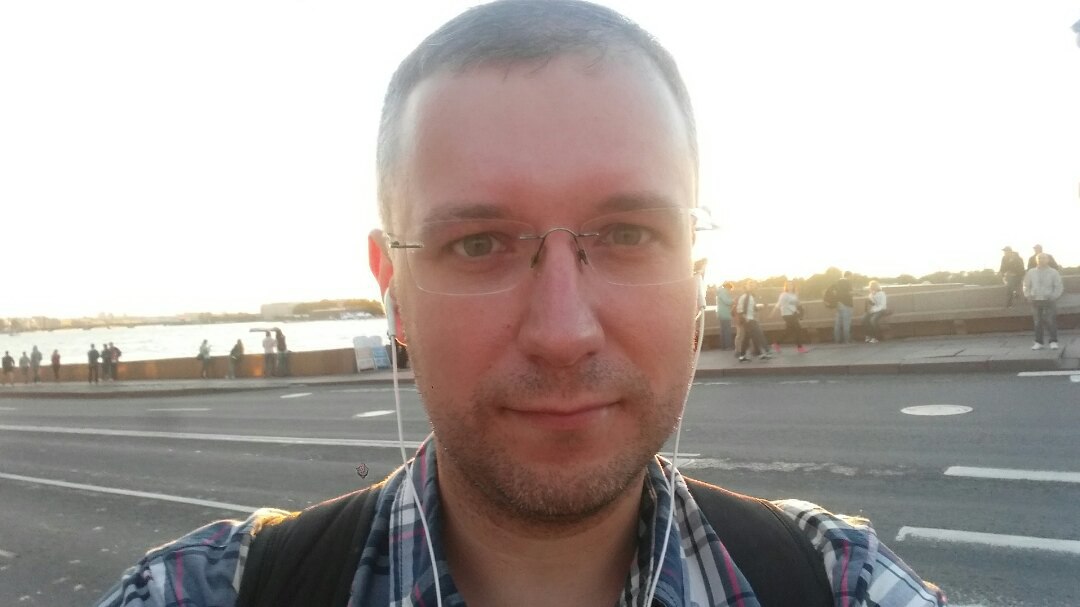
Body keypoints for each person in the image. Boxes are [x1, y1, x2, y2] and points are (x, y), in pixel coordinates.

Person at [97, 3, 946, 606]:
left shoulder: (838, 583)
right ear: (392, 289)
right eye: (479, 244)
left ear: (696, 265)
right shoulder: (209, 592)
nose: (564, 332)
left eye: (627, 233)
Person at [1023, 252, 1064, 350]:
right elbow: (1026, 285)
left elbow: (1059, 286)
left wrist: (1054, 296)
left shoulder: (1053, 272)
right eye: (1039, 258)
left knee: (1051, 321)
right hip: (1035, 300)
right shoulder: (1031, 272)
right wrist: (1028, 295)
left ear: (1047, 260)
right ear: (1036, 260)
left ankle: (1053, 341)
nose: (1041, 260)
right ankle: (1039, 342)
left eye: (1044, 258)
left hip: (1049, 300)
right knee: (1037, 322)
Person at [771, 280, 807, 353]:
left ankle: (776, 344)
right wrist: (772, 312)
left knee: (789, 331)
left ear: (793, 286)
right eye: (788, 285)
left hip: (793, 313)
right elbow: (779, 304)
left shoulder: (794, 294)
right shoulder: (784, 295)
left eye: (791, 285)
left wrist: (800, 309)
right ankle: (800, 347)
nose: (790, 286)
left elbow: (797, 303)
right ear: (786, 287)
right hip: (786, 314)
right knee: (798, 329)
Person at [831, 271, 855, 343]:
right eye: (851, 276)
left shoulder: (837, 282)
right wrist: (856, 293)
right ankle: (847, 340)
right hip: (847, 304)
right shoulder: (847, 282)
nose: (852, 277)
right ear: (849, 276)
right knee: (846, 323)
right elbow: (850, 292)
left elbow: (834, 292)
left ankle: (837, 340)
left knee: (838, 324)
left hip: (839, 304)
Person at [716, 281, 735, 349]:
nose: (730, 290)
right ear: (728, 287)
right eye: (730, 289)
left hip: (721, 313)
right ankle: (728, 346)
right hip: (725, 313)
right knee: (727, 330)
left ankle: (723, 346)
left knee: (723, 330)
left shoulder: (720, 292)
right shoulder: (724, 292)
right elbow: (727, 301)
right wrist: (733, 301)